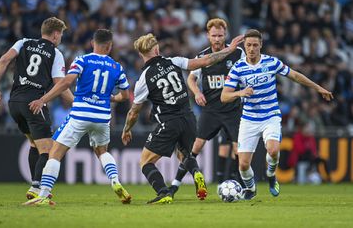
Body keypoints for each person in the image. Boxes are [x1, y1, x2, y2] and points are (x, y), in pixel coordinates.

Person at [121, 33, 244, 204]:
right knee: (184, 154)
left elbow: (133, 112)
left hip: (168, 122)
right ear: (156, 49)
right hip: (189, 118)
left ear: (141, 54)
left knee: (145, 162)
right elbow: (205, 60)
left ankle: (163, 192)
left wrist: (127, 129)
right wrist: (230, 49)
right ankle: (196, 174)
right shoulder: (174, 61)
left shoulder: (144, 78)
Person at [221, 29, 333, 200]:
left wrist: (318, 88)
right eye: (248, 45)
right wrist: (240, 93)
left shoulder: (271, 62)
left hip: (270, 116)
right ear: (244, 45)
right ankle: (251, 189)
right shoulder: (238, 67)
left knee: (273, 150)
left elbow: (295, 75)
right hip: (249, 119)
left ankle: (271, 175)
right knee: (243, 164)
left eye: (255, 45)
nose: (251, 49)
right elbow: (224, 96)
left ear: (261, 45)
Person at [23, 29, 131, 206]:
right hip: (103, 117)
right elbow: (125, 96)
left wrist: (43, 99)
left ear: (92, 43)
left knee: (54, 153)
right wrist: (113, 97)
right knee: (102, 151)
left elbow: (66, 82)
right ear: (110, 46)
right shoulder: (116, 67)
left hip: (80, 114)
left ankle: (43, 194)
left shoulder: (82, 60)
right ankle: (115, 181)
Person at [0, 17, 74, 200]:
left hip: (15, 103)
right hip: (34, 104)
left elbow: (4, 60)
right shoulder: (55, 53)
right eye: (61, 35)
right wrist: (76, 103)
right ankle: (37, 189)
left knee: (34, 144)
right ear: (56, 34)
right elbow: (60, 85)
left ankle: (35, 185)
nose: (60, 39)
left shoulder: (23, 42)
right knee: (49, 148)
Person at [170, 18, 245, 197]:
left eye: (220, 35)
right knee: (195, 147)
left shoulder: (237, 53)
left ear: (225, 35)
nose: (217, 39)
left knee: (238, 150)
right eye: (214, 36)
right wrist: (196, 93)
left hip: (233, 109)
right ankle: (174, 184)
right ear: (208, 36)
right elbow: (190, 78)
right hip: (211, 110)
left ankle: (240, 186)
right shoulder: (202, 57)